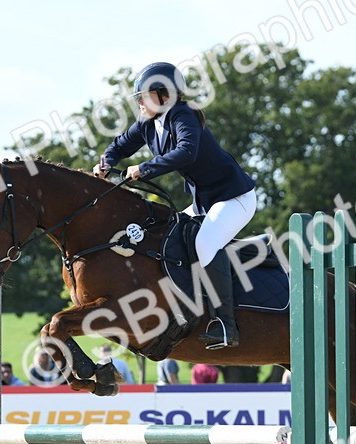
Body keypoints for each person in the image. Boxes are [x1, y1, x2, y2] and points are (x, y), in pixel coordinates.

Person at [94, 62, 257, 350]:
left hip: (234, 198)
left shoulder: (183, 114)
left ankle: (226, 325)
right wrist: (107, 162)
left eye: (144, 96)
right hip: (204, 201)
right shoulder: (148, 123)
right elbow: (120, 145)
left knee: (205, 244)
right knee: (168, 238)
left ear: (164, 95)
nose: (140, 103)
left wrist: (144, 168)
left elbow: (186, 152)